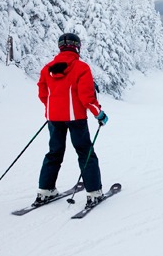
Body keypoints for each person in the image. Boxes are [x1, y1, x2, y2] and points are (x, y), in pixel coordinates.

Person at [33, 33, 108, 209]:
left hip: (54, 119)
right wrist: (99, 114)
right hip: (76, 119)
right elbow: (87, 97)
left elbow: (43, 94)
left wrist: (54, 110)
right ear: (77, 47)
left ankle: (45, 190)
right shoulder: (81, 68)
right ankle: (94, 192)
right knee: (85, 152)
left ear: (60, 47)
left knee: (54, 153)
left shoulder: (47, 69)